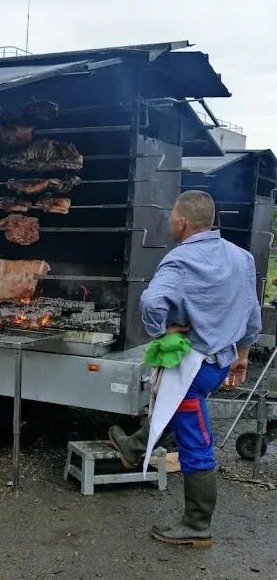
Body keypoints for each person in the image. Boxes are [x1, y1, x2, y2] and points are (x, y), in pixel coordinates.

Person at [109, 190, 261, 547]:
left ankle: (197, 525)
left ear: (181, 222)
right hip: (220, 362)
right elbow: (252, 315)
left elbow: (151, 301)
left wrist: (162, 328)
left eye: (171, 218)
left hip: (193, 365)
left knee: (196, 443)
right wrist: (243, 355)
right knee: (173, 408)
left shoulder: (180, 260)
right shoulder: (242, 258)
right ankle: (133, 448)